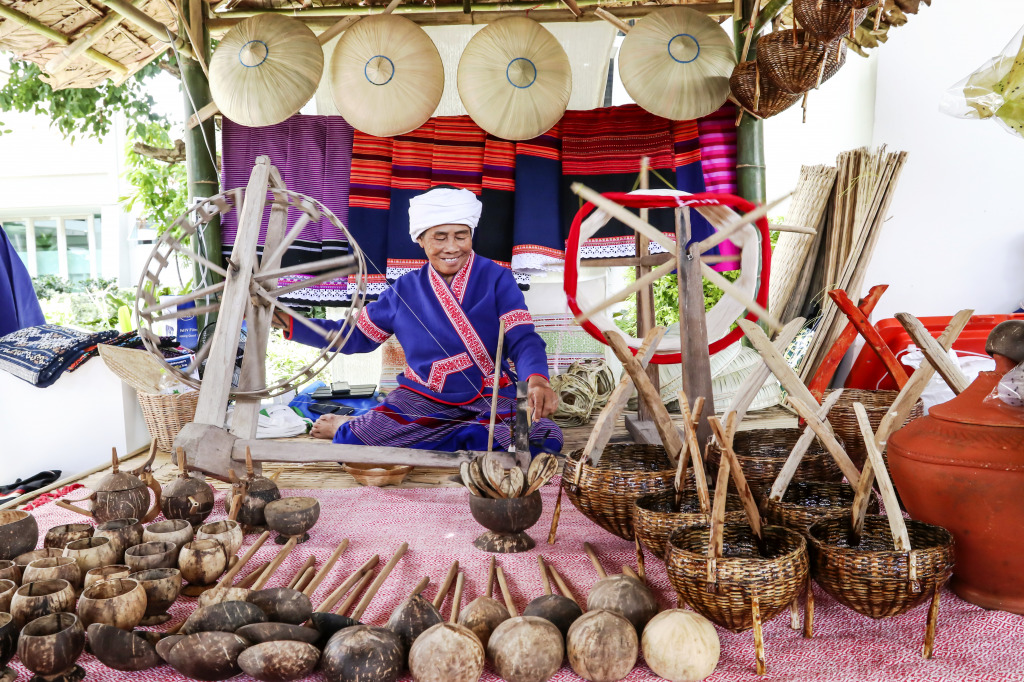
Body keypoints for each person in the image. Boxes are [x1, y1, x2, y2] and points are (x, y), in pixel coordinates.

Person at [276, 186, 562, 455]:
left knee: (543, 438)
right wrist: (290, 323)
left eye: (461, 235)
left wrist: (536, 381)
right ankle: (357, 427)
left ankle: (426, 438)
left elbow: (522, 338)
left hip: (493, 394)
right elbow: (355, 337)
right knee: (356, 440)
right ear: (420, 239)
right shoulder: (403, 289)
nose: (452, 247)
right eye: (439, 237)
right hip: (424, 397)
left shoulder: (497, 278)